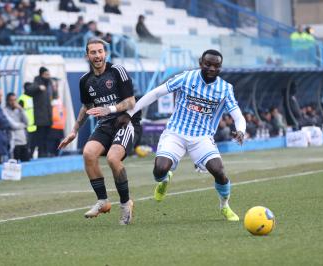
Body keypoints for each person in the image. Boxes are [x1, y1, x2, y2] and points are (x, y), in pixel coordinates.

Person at [120, 49, 246, 222]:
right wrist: (132, 112)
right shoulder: (186, 78)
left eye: (216, 65)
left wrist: (241, 130)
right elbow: (156, 93)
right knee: (159, 170)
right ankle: (165, 179)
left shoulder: (225, 89)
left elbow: (237, 115)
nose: (211, 68)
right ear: (201, 62)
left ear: (220, 68)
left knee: (219, 171)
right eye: (208, 64)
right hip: (176, 133)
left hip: (201, 138)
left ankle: (224, 206)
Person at [58, 37, 140, 225]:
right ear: (87, 55)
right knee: (88, 154)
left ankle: (126, 203)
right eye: (93, 52)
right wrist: (74, 131)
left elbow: (131, 102)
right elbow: (86, 107)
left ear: (106, 53)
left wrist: (109, 109)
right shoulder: (85, 81)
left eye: (100, 51)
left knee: (113, 158)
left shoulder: (117, 71)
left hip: (124, 121)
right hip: (104, 124)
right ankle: (103, 201)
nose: (97, 55)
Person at [25, 67, 56, 158]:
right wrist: (38, 87)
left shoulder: (49, 83)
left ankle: (46, 152)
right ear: (41, 75)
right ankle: (40, 153)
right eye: (46, 75)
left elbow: (53, 95)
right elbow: (28, 90)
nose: (48, 76)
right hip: (40, 117)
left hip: (48, 116)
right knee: (39, 137)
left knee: (47, 136)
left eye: (49, 74)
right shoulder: (36, 82)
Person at [4, 92, 30, 162]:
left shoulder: (19, 110)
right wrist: (23, 125)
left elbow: (27, 122)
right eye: (11, 100)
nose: (13, 102)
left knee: (26, 161)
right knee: (14, 163)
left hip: (23, 140)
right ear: (7, 101)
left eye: (15, 100)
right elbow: (12, 125)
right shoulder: (5, 111)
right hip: (14, 142)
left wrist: (21, 109)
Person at [18, 82, 37, 159]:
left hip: (34, 126)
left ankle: (31, 156)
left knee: (33, 144)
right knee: (26, 145)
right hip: (26, 127)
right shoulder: (22, 99)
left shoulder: (33, 97)